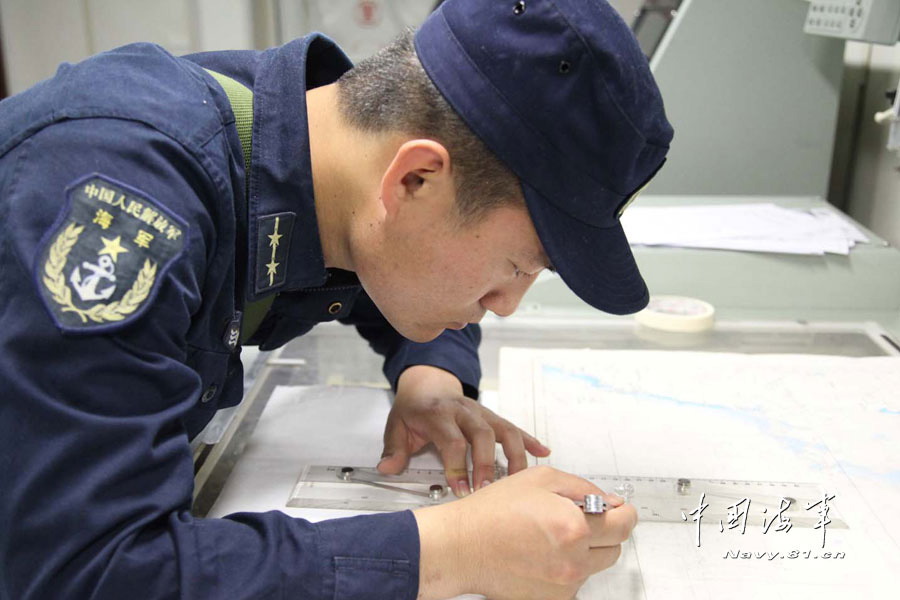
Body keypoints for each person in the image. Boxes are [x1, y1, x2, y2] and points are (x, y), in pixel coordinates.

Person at [0, 0, 672, 598]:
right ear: (414, 178)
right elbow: (82, 570)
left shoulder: (323, 150)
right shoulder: (124, 201)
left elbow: (386, 267)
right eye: (519, 266)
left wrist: (431, 378)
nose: (504, 305)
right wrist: (451, 551)